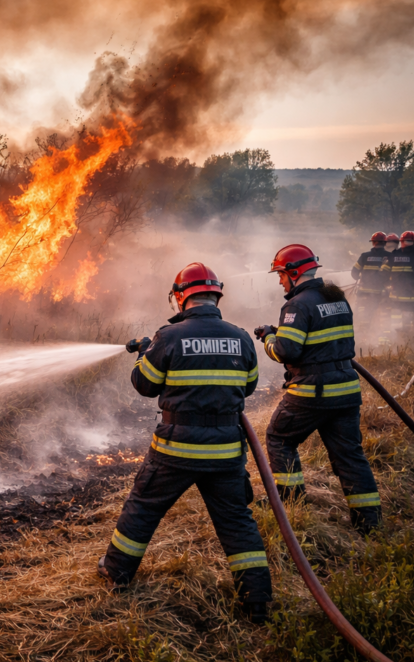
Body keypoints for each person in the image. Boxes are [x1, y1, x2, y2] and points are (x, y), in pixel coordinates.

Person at [97, 263, 272, 623]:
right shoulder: (240, 338)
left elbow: (144, 385)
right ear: (216, 296)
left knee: (143, 508)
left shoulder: (169, 336)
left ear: (180, 297)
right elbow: (249, 386)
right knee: (237, 522)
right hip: (225, 452)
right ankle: (257, 601)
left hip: (175, 450)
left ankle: (115, 572)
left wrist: (145, 353)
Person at [254, 245, 382, 536]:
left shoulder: (297, 305)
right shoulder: (337, 298)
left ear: (294, 272)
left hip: (313, 391)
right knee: (349, 456)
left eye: (281, 274)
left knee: (279, 438)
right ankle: (370, 523)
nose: (280, 281)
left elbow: (286, 351)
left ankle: (291, 503)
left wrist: (269, 338)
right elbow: (322, 340)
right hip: (346, 389)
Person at [350, 231, 391, 342]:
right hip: (382, 293)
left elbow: (354, 272)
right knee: (383, 316)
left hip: (364, 292)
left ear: (373, 243)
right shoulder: (389, 256)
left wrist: (360, 279)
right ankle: (383, 338)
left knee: (364, 314)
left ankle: (363, 337)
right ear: (385, 243)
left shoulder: (364, 256)